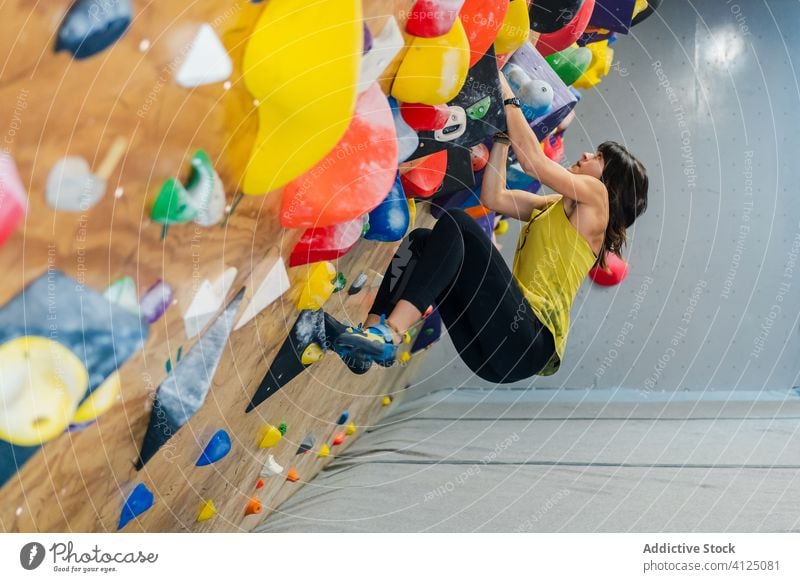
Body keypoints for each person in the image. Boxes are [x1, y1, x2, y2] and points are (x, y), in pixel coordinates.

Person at [332, 74, 648, 381]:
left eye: (599, 157)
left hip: (527, 340)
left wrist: (509, 98)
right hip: (499, 355)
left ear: (613, 183)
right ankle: (370, 339)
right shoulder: (553, 206)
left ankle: (390, 334)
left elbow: (533, 163)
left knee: (457, 221)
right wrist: (501, 139)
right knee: (422, 241)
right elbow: (493, 197)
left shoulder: (598, 198)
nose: (586, 154)